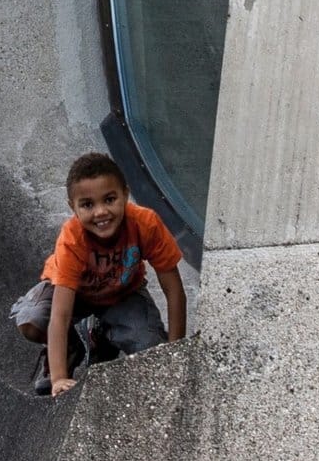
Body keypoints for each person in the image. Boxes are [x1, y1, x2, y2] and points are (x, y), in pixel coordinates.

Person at [10, 152, 187, 397]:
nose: (101, 212)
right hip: (76, 295)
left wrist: (174, 353)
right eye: (88, 205)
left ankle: (101, 334)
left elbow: (174, 290)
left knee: (151, 351)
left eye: (110, 199)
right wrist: (59, 379)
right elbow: (60, 315)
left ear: (125, 194)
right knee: (32, 319)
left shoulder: (146, 223)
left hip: (123, 294)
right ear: (73, 207)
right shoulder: (72, 239)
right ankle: (70, 348)